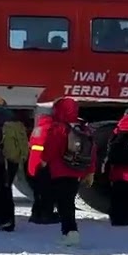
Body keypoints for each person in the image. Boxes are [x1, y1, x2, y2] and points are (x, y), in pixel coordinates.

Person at [38, 97, 96, 246]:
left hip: (60, 170)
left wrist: (44, 160)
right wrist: (90, 171)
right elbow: (92, 151)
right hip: (76, 170)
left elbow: (50, 147)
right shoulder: (83, 128)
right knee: (68, 201)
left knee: (64, 204)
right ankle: (70, 232)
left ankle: (70, 233)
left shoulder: (58, 127)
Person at [26, 113, 57, 224]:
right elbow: (51, 146)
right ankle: (46, 215)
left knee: (37, 191)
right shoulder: (50, 128)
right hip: (43, 162)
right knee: (47, 191)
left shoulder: (37, 129)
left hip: (33, 162)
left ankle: (35, 214)